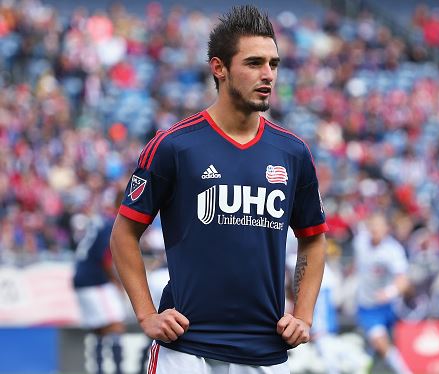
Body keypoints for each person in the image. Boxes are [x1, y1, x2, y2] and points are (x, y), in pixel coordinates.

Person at [110, 5, 328, 374]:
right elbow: (124, 233)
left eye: (273, 64)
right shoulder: (174, 146)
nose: (268, 75)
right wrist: (146, 314)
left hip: (265, 349)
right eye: (254, 63)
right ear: (219, 68)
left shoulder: (293, 152)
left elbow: (313, 237)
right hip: (186, 348)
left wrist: (303, 314)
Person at [73, 190, 127, 374]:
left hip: (81, 278)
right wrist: (117, 282)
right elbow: (105, 258)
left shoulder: (101, 221)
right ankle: (118, 370)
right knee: (116, 325)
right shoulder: (113, 224)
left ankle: (99, 370)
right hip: (95, 280)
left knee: (99, 328)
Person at [353, 212, 412, 374]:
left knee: (375, 349)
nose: (375, 229)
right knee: (380, 342)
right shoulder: (360, 242)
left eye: (379, 225)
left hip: (387, 306)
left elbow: (403, 280)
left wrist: (389, 292)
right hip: (367, 305)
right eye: (372, 225)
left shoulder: (393, 250)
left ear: (386, 228)